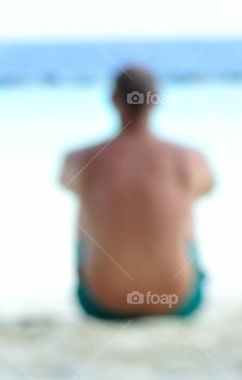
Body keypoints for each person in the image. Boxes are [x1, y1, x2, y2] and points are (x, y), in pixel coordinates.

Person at [60, 66, 214, 320]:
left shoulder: (78, 160)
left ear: (112, 99)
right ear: (155, 101)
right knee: (183, 214)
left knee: (87, 215)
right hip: (178, 301)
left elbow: (66, 185)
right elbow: (206, 189)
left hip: (101, 303)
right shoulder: (190, 160)